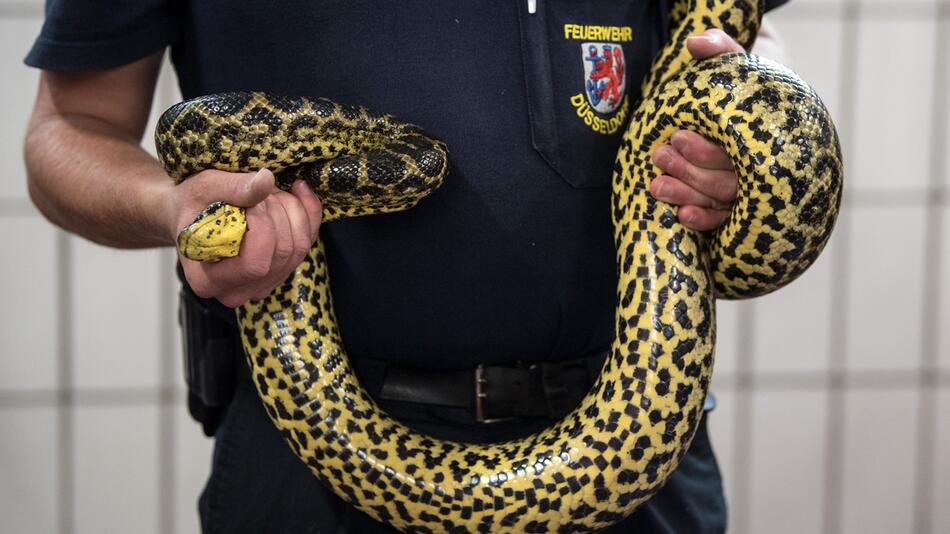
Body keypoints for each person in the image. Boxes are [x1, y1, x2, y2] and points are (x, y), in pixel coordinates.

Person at [23, 1, 788, 532]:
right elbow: (69, 129)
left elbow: (746, 43)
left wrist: (733, 127)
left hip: (639, 468)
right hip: (311, 471)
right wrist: (175, 211)